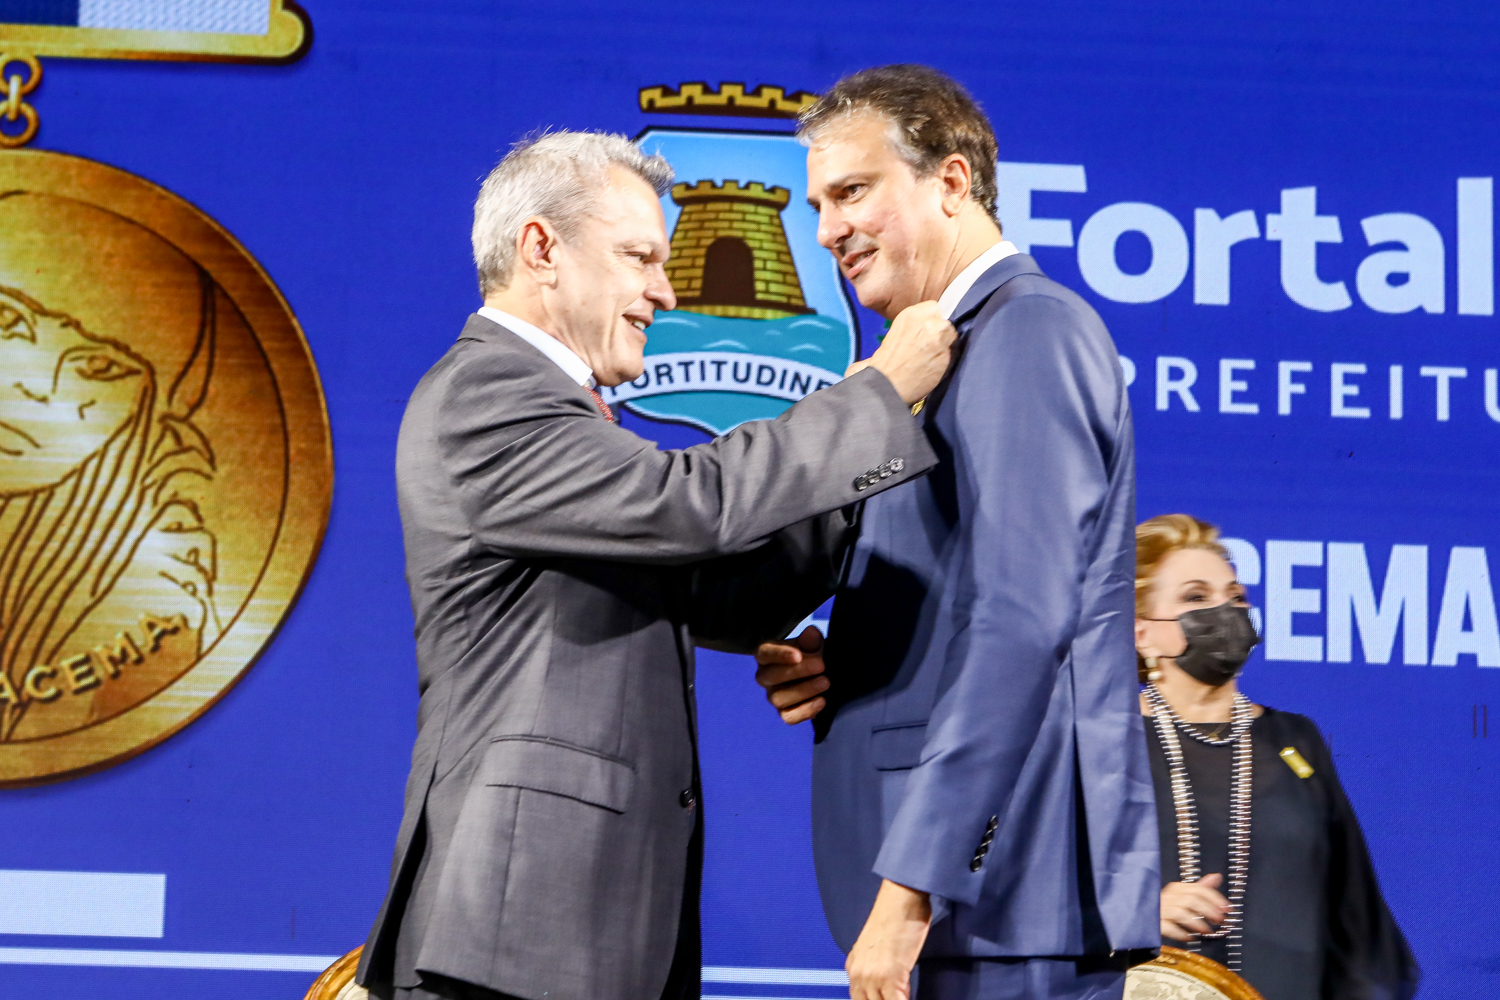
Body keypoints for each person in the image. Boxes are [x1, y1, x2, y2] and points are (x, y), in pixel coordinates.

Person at [355, 130, 958, 1000]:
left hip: (580, 932)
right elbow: (692, 504)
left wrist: (876, 463)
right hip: (514, 933)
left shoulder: (555, 410)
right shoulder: (487, 392)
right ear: (541, 249)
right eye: (639, 257)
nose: (664, 292)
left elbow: (720, 588)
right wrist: (873, 397)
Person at [754, 66, 1159, 1000]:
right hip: (966, 914)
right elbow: (965, 594)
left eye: (853, 192)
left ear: (951, 181)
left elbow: (1022, 619)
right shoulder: (936, 350)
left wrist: (912, 891)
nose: (828, 229)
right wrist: (857, 660)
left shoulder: (1027, 331)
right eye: (818, 206)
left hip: (999, 904)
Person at [1131, 513, 1417, 999]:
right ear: (1142, 633)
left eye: (1236, 597)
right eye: (1195, 598)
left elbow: (1355, 916)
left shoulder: (1294, 740)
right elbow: (1032, 896)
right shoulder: (1103, 743)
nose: (1225, 611)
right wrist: (1132, 914)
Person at [0, 192, 224, 741]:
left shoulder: (155, 613)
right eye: (6, 319)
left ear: (143, 418)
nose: (37, 387)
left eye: (99, 367)